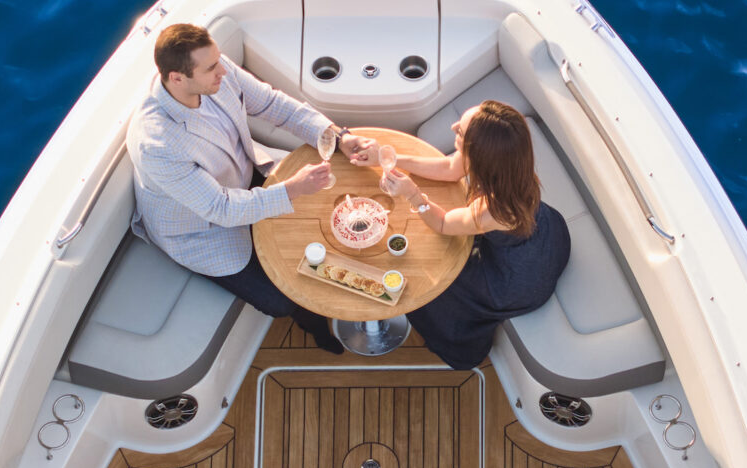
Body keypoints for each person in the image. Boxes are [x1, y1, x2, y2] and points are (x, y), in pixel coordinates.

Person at [126, 23, 375, 353]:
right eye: (212, 67)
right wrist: (292, 190)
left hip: (242, 179)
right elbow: (221, 209)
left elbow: (273, 105)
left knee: (322, 219)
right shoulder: (157, 143)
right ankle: (315, 326)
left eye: (219, 60)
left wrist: (337, 137)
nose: (224, 71)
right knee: (281, 301)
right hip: (201, 229)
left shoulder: (215, 74)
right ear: (177, 78)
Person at [373, 100, 570, 370]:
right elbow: (449, 168)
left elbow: (442, 223)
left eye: (461, 132)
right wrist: (392, 160)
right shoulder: (509, 163)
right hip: (543, 232)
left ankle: (459, 350)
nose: (453, 127)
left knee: (436, 283)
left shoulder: (495, 210)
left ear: (479, 155)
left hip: (519, 278)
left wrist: (412, 194)